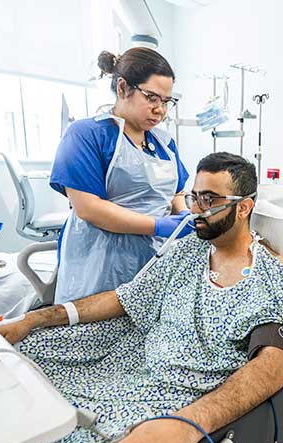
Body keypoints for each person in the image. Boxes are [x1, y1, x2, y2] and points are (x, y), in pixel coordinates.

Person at [0, 153, 283, 443]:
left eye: (209, 199)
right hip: (129, 361)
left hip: (171, 391)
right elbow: (123, 298)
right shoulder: (186, 253)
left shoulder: (268, 272)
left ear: (244, 208)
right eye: (194, 196)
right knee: (18, 358)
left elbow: (271, 367)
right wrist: (32, 320)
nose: (195, 208)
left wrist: (187, 424)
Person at [50, 47, 194, 304]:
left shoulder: (164, 142)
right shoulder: (86, 135)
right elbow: (89, 208)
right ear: (122, 88)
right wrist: (158, 226)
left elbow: (177, 190)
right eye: (151, 97)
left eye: (166, 101)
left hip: (153, 259)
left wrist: (182, 214)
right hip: (101, 263)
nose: (160, 110)